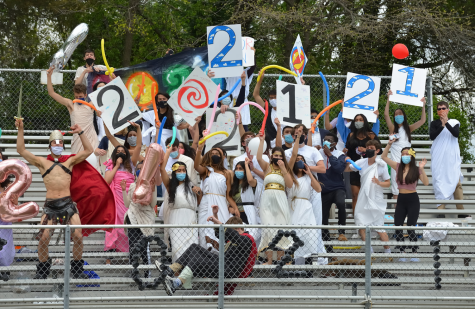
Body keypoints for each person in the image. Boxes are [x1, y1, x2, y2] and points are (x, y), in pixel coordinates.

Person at [16, 119, 94, 279]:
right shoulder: (42, 162)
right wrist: (21, 129)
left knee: (78, 236)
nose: (57, 145)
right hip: (51, 206)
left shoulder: (70, 161)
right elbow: (21, 149)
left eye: (60, 143)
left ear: (63, 146)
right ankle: (43, 269)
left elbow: (89, 150)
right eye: (54, 143)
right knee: (43, 238)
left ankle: (77, 269)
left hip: (68, 204)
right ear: (50, 145)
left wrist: (80, 132)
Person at [156, 206, 257, 296]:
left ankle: (174, 285)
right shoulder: (236, 238)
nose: (228, 233)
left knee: (197, 259)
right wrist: (215, 216)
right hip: (221, 264)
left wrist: (220, 223)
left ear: (237, 228)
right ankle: (169, 270)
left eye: (230, 229)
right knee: (194, 247)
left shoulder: (247, 239)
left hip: (227, 270)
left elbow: (233, 236)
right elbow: (221, 235)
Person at [382, 140, 429, 262]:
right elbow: (383, 157)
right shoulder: (398, 166)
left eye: (407, 154)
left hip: (413, 199)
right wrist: (389, 144)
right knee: (398, 226)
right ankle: (402, 251)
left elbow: (426, 182)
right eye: (403, 154)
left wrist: (422, 169)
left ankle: (414, 251)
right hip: (401, 199)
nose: (404, 156)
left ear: (411, 156)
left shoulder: (416, 169)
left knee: (410, 227)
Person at [103, 121, 142, 263]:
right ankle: (109, 256)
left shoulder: (131, 164)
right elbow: (107, 181)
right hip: (114, 199)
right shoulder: (111, 165)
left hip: (128, 199)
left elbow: (138, 146)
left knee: (128, 224)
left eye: (122, 151)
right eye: (118, 151)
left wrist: (138, 129)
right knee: (113, 226)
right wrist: (104, 120)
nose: (120, 152)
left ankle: (128, 253)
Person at [257, 132, 299, 265]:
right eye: (275, 155)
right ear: (271, 156)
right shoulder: (267, 167)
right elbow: (258, 157)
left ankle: (282, 259)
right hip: (266, 201)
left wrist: (297, 139)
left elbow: (290, 184)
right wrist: (262, 141)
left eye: (280, 156)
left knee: (282, 229)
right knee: (268, 229)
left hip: (281, 199)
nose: (277, 157)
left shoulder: (285, 167)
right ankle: (269, 260)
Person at [345, 140, 391, 255]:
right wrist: (346, 160)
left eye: (371, 147)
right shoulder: (361, 162)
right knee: (361, 223)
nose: (369, 149)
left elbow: (388, 183)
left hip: (376, 198)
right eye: (367, 147)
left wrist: (378, 182)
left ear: (377, 150)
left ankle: (388, 251)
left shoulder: (382, 165)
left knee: (379, 226)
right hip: (363, 197)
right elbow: (348, 169)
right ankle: (369, 252)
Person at [160, 146, 201, 262]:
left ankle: (187, 274)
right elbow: (162, 170)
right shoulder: (170, 186)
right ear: (174, 172)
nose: (182, 172)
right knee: (177, 248)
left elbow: (198, 202)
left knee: (191, 247)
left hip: (190, 219)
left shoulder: (192, 186)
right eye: (179, 171)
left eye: (184, 170)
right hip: (176, 219)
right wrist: (167, 152)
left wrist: (199, 193)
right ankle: (177, 274)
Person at [47, 67, 99, 156]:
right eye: (76, 97)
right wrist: (49, 76)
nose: (78, 99)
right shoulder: (71, 104)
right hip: (77, 141)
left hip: (91, 140)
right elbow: (52, 93)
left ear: (86, 95)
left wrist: (111, 78)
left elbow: (107, 91)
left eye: (81, 97)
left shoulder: (90, 105)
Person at [384, 90, 426, 201]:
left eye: (400, 114)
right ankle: (397, 212)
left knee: (408, 187)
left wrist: (423, 105)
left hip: (407, 160)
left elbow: (422, 120)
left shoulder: (408, 129)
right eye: (396, 114)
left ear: (404, 116)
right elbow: (386, 115)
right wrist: (388, 98)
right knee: (396, 189)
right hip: (395, 162)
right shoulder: (393, 129)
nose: (398, 115)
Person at [195, 142, 235, 250]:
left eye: (217, 153)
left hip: (221, 202)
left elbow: (228, 195)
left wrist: (235, 208)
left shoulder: (227, 173)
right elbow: (196, 166)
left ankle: (221, 257)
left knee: (221, 228)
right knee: (204, 229)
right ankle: (205, 257)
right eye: (212, 153)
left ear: (222, 157)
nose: (214, 155)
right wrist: (199, 149)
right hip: (206, 202)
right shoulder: (206, 170)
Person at [122, 169, 159, 278]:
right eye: (138, 171)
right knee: (133, 246)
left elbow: (152, 204)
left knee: (144, 246)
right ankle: (134, 272)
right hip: (132, 217)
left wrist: (152, 189)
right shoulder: (133, 186)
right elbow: (128, 204)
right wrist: (124, 190)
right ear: (135, 174)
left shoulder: (151, 184)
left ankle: (147, 273)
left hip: (146, 218)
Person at [430, 101, 464, 216]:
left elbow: (455, 134)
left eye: (443, 108)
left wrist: (446, 123)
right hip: (439, 159)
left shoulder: (454, 122)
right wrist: (442, 125)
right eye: (439, 109)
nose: (441, 110)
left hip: (451, 159)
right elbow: (432, 136)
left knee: (456, 183)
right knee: (439, 183)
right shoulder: (434, 123)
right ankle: (441, 211)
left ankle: (461, 211)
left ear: (448, 109)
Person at [288, 155, 323, 265]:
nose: (299, 162)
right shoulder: (291, 177)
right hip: (292, 207)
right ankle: (294, 263)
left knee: (308, 233)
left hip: (306, 207)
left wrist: (309, 173)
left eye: (301, 160)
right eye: (297, 160)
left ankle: (309, 263)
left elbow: (318, 189)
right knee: (294, 232)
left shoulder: (309, 177)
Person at [344, 114, 380, 215]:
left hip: (368, 167)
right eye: (356, 120)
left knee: (368, 194)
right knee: (355, 195)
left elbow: (379, 150)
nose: (358, 122)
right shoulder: (351, 135)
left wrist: (366, 149)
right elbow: (348, 150)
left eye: (360, 120)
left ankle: (368, 218)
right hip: (355, 167)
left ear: (364, 121)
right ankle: (357, 221)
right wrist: (345, 152)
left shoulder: (371, 135)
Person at [317, 132, 348, 244]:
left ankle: (341, 232)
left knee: (340, 203)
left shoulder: (340, 154)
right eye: (325, 139)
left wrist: (330, 154)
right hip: (323, 188)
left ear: (334, 143)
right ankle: (325, 239)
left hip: (337, 187)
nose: (326, 141)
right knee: (323, 214)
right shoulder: (317, 153)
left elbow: (339, 168)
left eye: (329, 140)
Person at [230, 160, 261, 244]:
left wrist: (247, 165)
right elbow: (230, 199)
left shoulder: (252, 183)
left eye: (240, 169)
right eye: (236, 169)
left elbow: (250, 180)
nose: (238, 170)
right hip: (236, 215)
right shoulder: (234, 185)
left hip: (248, 213)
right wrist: (231, 208)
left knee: (250, 236)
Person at [253, 71, 279, 141]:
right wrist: (260, 79)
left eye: (275, 97)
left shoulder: (288, 109)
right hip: (271, 142)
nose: (273, 99)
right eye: (271, 98)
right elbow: (256, 95)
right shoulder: (268, 109)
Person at [0, 174, 15, 278]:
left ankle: (5, 269)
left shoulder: (9, 186)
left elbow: (14, 204)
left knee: (6, 245)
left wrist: (14, 199)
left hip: (5, 221)